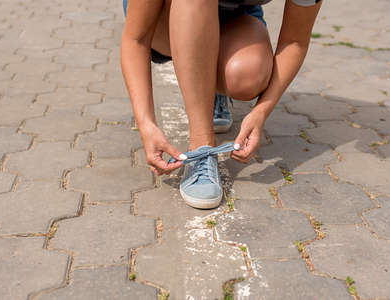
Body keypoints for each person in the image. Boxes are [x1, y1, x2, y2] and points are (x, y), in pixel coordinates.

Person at [120, 0, 322, 209]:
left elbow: (294, 42)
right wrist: (146, 124)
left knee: (247, 75)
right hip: (164, 15)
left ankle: (209, 88)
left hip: (232, 14)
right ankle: (202, 145)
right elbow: (136, 39)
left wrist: (261, 110)